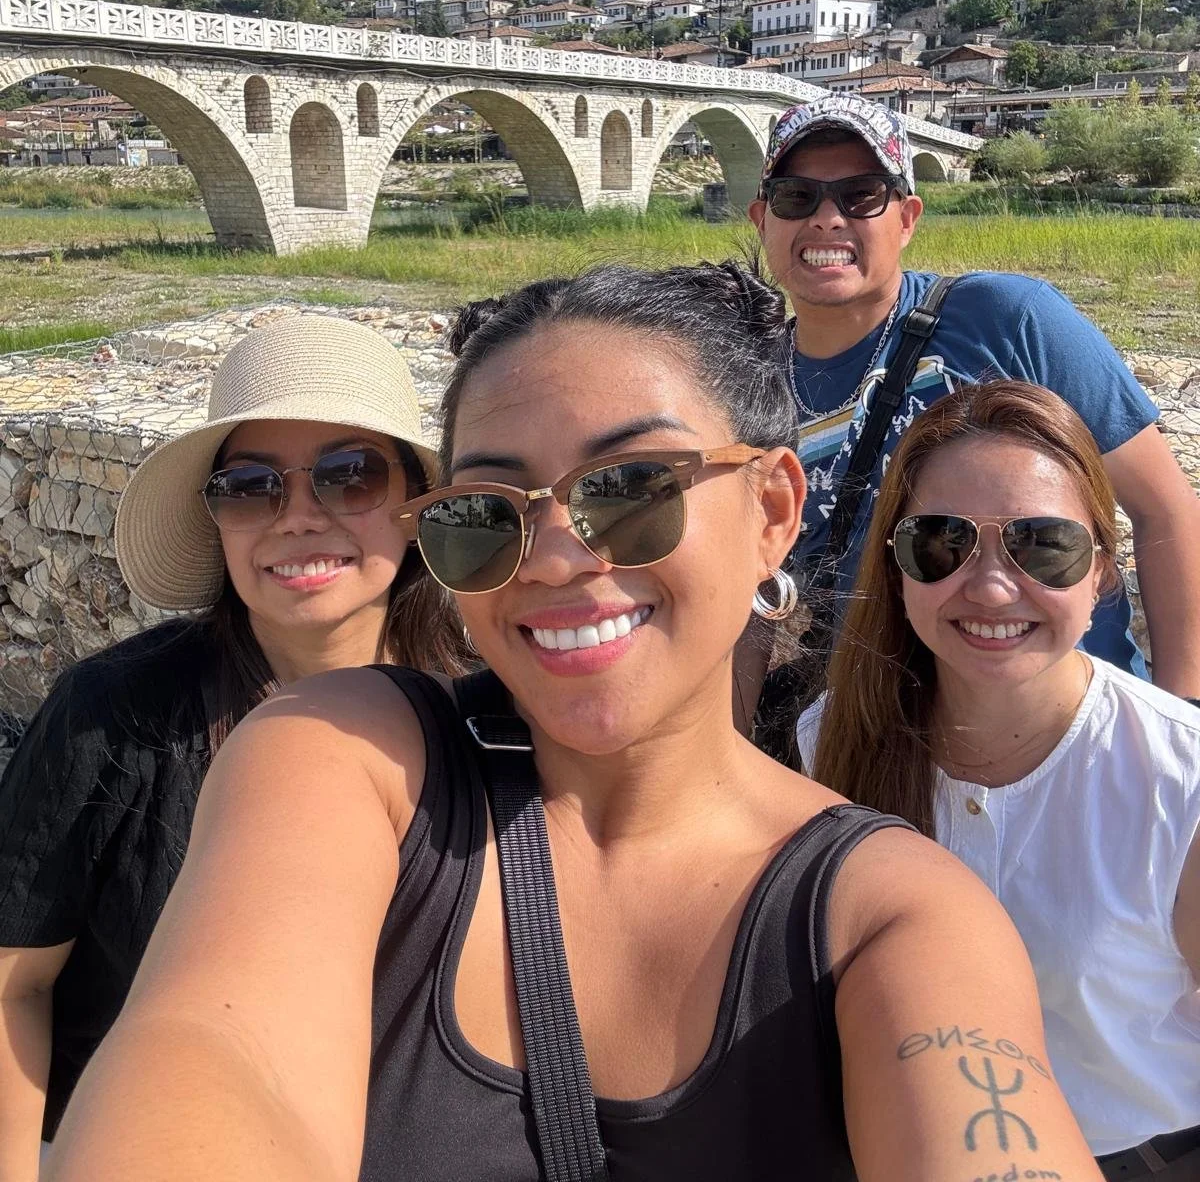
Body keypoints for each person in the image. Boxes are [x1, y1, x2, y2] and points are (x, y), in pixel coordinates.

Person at [47, 263, 1100, 1182]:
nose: (553, 558)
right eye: (488, 513)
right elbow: (220, 1061)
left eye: (632, 486)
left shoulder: (894, 917)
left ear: (774, 510)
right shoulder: (343, 761)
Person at [0, 314, 447, 1180]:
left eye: (349, 475)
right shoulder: (117, 715)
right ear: (217, 522)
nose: (299, 517)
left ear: (412, 504)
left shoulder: (483, 709)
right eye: (251, 488)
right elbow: (14, 980)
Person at [797, 381, 1200, 1174]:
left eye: (1042, 545)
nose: (987, 586)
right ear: (897, 564)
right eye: (942, 543)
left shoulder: (1179, 785)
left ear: (1101, 575)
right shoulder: (828, 738)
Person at [748, 91, 1200, 697]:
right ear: (762, 220)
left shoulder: (1010, 320)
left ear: (906, 218)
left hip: (1070, 717)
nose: (827, 218)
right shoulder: (745, 382)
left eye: (861, 195)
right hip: (879, 736)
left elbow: (1165, 508)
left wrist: (1183, 717)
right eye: (796, 197)